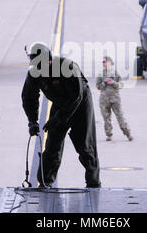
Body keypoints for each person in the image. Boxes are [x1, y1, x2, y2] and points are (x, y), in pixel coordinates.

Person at [21, 42, 101, 188]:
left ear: (50, 60)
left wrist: (57, 118)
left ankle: (93, 183)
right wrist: (32, 121)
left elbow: (76, 96)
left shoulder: (68, 67)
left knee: (85, 146)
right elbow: (29, 97)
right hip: (60, 102)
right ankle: (45, 182)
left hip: (80, 102)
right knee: (52, 144)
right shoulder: (34, 72)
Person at [96, 56, 133, 142]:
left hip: (115, 99)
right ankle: (109, 135)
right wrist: (104, 82)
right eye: (102, 62)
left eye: (104, 61)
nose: (103, 63)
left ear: (109, 62)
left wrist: (113, 83)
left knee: (120, 116)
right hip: (104, 100)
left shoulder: (116, 73)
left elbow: (121, 84)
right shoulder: (101, 74)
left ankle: (128, 134)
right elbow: (98, 87)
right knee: (106, 118)